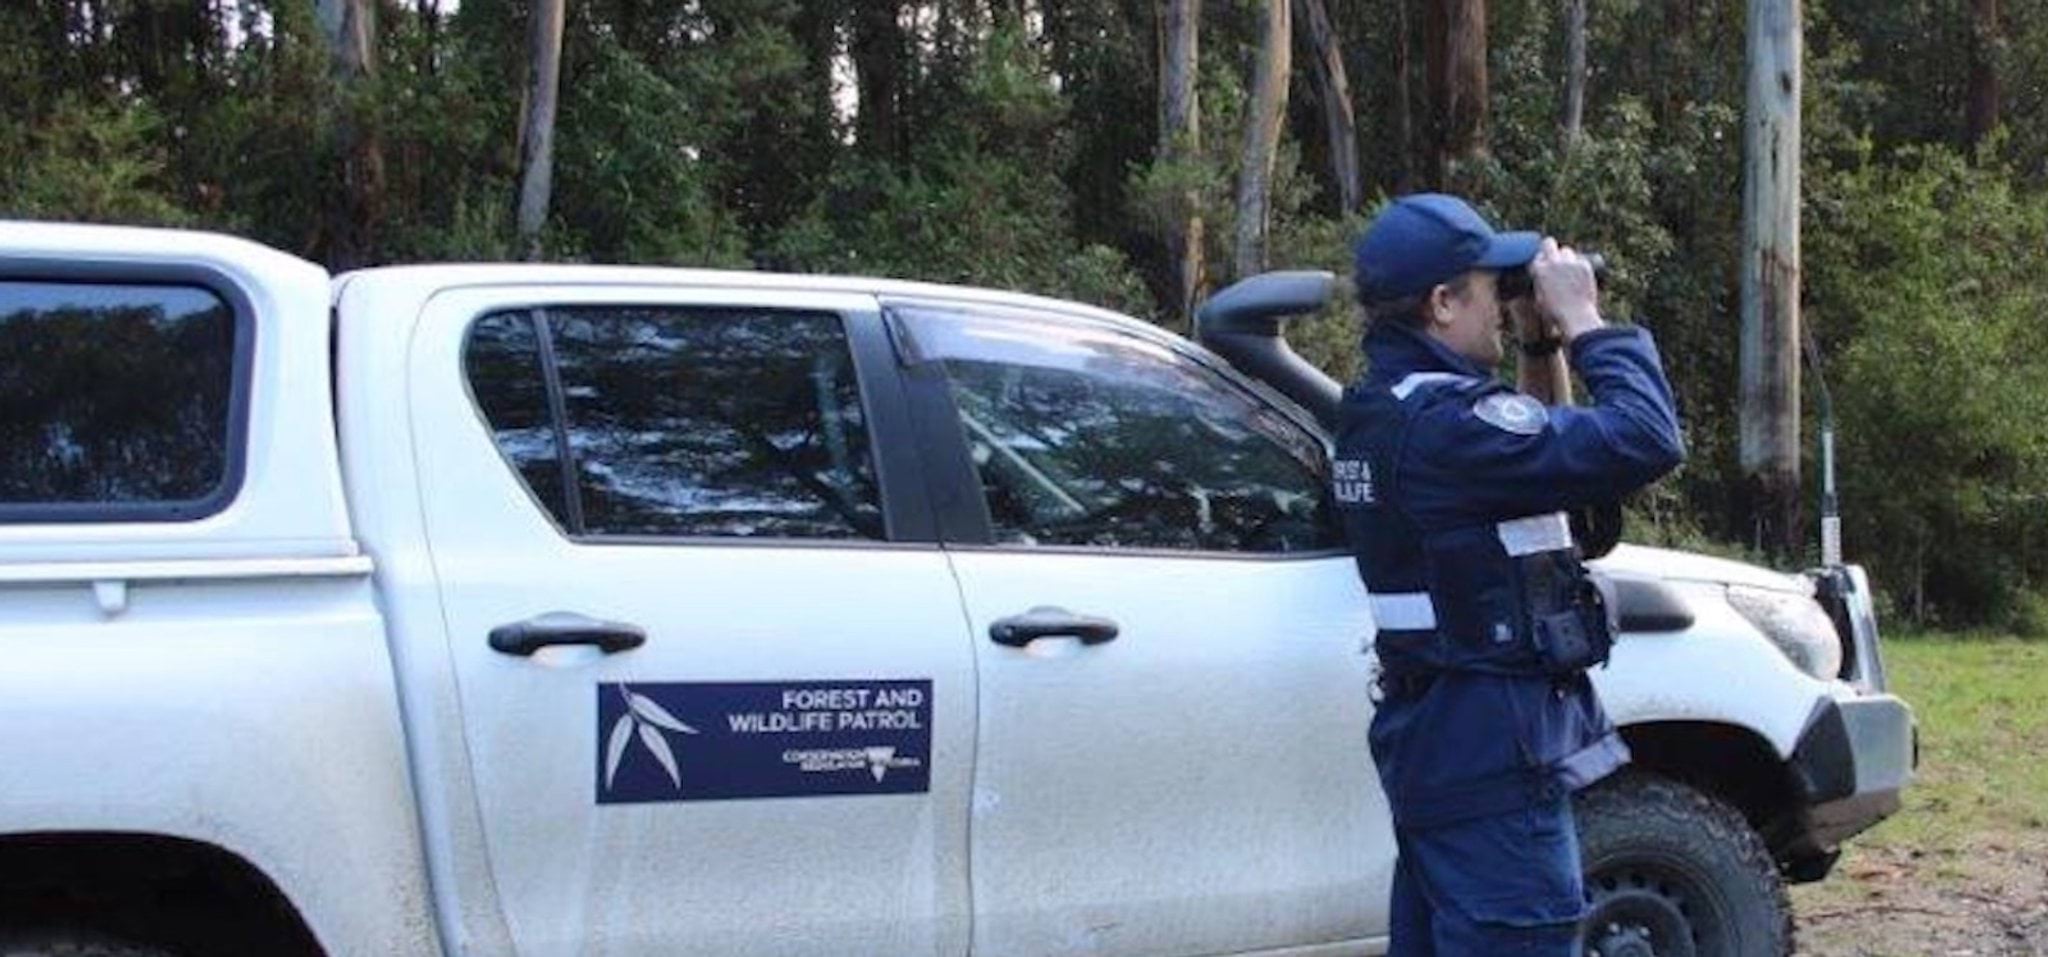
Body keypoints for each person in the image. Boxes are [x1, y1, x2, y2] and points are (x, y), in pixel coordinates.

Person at [1334, 194, 1685, 954]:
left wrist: (1538, 344)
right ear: (1441, 303)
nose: (1503, 303)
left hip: (1441, 741)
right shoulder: (1449, 426)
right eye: (1494, 289)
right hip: (1490, 753)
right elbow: (1646, 437)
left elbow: (1546, 481)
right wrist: (1584, 320)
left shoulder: (1386, 410)